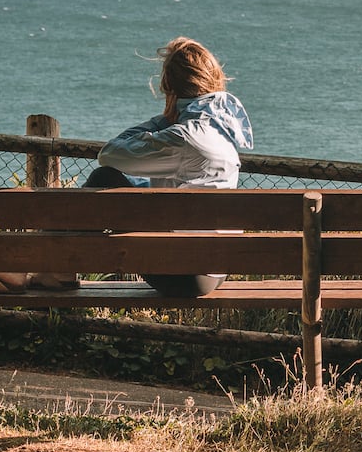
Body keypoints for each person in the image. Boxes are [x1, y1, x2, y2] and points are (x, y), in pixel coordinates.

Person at [85, 36, 253, 296]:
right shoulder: (224, 129)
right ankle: (51, 272)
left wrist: (162, 120)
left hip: (185, 274)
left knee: (103, 178)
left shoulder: (183, 137)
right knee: (128, 187)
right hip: (216, 270)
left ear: (169, 89)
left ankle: (50, 271)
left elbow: (109, 154)